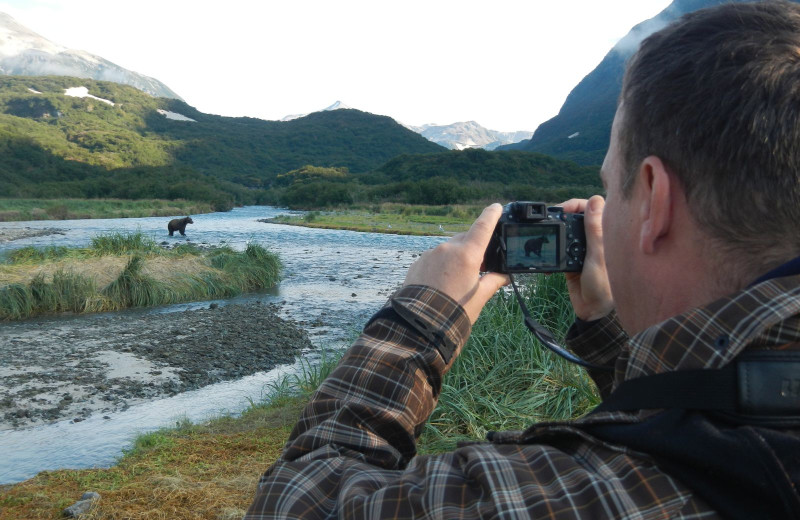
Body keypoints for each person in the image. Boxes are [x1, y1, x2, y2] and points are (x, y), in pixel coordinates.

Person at [245, 2, 800, 518]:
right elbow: (693, 419)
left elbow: (297, 500)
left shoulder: (579, 495)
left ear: (654, 200)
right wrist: (612, 333)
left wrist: (415, 322)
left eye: (613, 187)